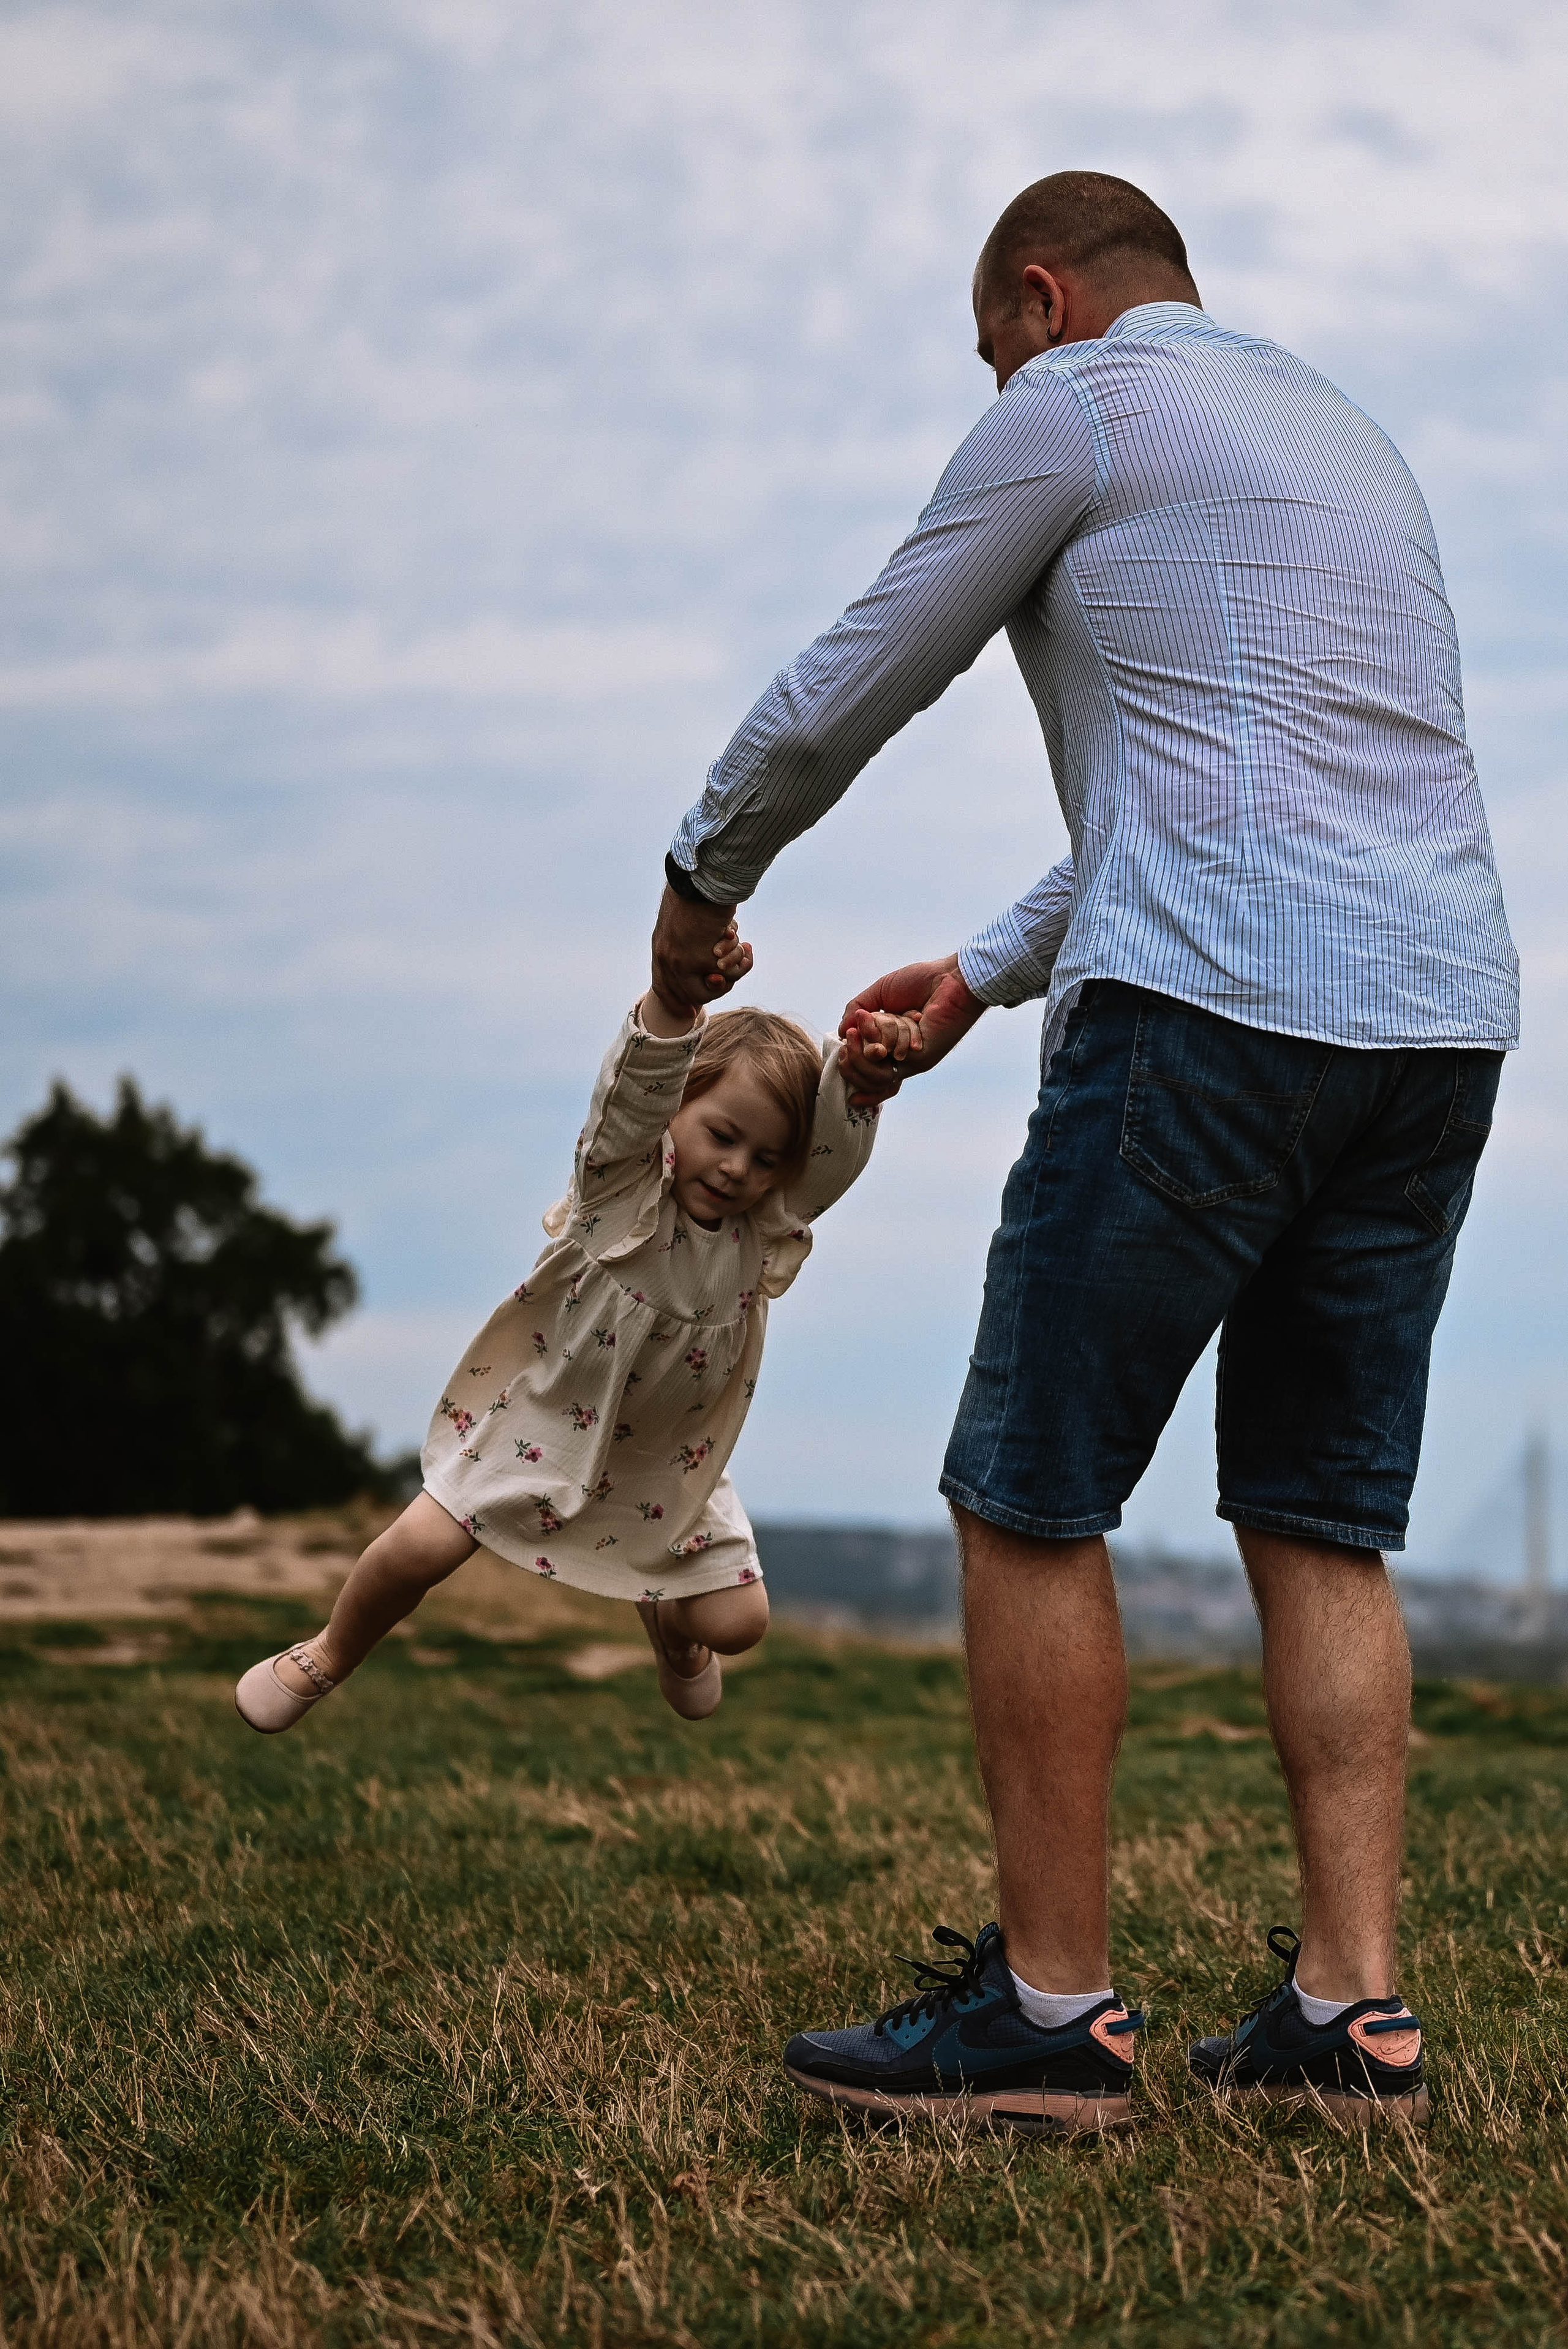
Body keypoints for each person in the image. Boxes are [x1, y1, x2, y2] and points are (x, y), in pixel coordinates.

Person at [650, 171, 1518, 2132]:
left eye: (990, 352)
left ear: (1044, 302)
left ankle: (1050, 2017)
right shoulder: (1346, 438)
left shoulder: (1084, 402)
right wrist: (982, 969)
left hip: (1210, 1006)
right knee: (1322, 1508)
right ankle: (1347, 2020)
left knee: (1030, 1484)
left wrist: (701, 887)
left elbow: (858, 671)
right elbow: (1265, 778)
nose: (994, 388)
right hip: (1435, 1016)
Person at [236, 924, 914, 1732]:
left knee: (740, 1625)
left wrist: (862, 1082)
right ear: (677, 1111)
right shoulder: (619, 1195)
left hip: (668, 1457)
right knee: (420, 1549)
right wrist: (675, 1000)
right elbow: (630, 1093)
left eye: (767, 1159)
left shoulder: (760, 1231)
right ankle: (329, 1653)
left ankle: (667, 1626)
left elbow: (829, 1157)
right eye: (722, 1136)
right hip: (547, 1419)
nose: (738, 1169)